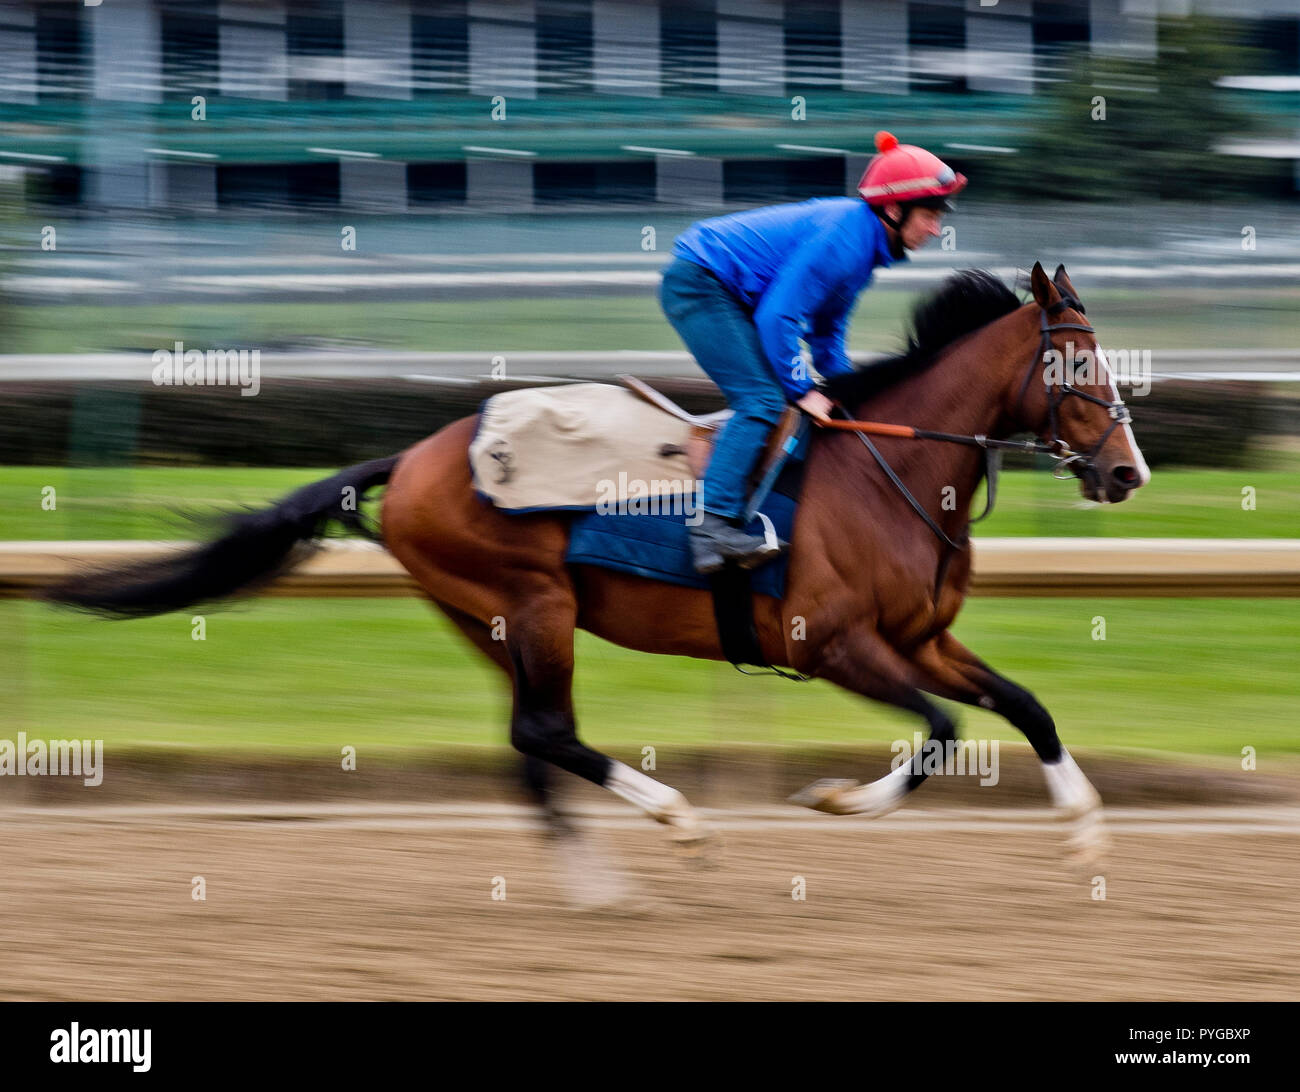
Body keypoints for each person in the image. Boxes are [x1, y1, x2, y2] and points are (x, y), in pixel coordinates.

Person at [659, 131, 967, 574]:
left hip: (731, 293)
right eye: (930, 215)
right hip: (700, 283)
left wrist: (847, 391)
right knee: (763, 399)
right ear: (895, 210)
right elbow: (777, 319)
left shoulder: (866, 247)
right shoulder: (846, 240)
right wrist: (802, 389)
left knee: (785, 396)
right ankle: (711, 528)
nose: (937, 229)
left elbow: (827, 332)